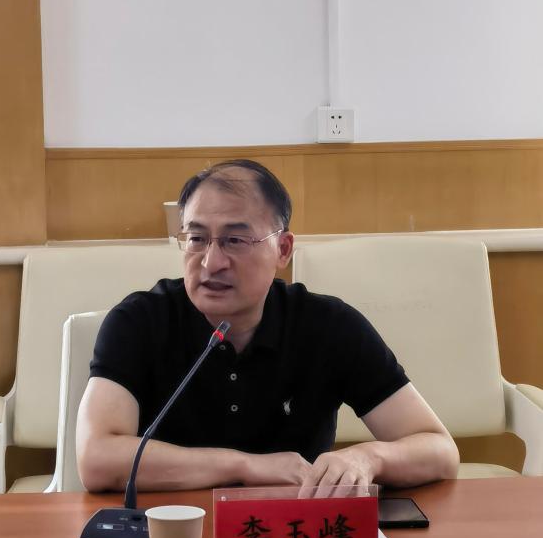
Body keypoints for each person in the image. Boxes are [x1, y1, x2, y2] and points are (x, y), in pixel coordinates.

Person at [77, 159, 459, 495]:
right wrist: (245, 467)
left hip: (294, 534)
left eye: (235, 240)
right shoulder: (139, 321)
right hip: (172, 533)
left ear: (283, 249)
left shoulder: (329, 326)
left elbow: (439, 451)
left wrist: (368, 457)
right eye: (196, 238)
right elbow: (97, 459)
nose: (211, 262)